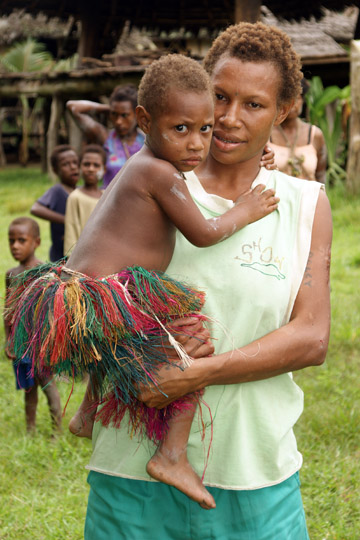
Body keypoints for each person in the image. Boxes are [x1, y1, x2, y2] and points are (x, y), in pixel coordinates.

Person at [81, 22, 332, 540]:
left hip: (253, 472)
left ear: (284, 111)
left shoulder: (304, 203)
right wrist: (142, 359)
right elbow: (87, 298)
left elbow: (312, 337)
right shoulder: (151, 180)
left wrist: (198, 372)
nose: (228, 119)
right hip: (131, 472)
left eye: (254, 104)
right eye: (219, 97)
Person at [6, 54, 278, 511]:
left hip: (79, 294)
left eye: (205, 130)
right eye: (181, 129)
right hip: (98, 299)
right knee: (194, 340)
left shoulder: (145, 160)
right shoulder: (158, 171)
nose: (196, 143)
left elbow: (189, 147)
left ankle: (90, 410)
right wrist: (245, 208)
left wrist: (259, 153)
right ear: (144, 120)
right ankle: (172, 456)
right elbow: (203, 232)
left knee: (124, 338)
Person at [4, 217, 62, 434]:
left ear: (36, 242)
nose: (15, 246)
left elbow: (52, 309)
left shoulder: (44, 272)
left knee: (48, 386)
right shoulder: (11, 275)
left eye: (21, 240)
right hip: (20, 342)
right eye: (11, 241)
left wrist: (50, 341)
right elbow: (8, 309)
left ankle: (57, 433)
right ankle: (30, 430)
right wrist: (8, 338)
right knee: (28, 389)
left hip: (40, 341)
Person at [67, 84, 145, 187]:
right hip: (110, 201)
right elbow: (72, 107)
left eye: (124, 115)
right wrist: (107, 108)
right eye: (114, 114)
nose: (118, 121)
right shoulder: (106, 138)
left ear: (136, 114)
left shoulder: (146, 140)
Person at [269, 78, 327, 183]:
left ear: (303, 100)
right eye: (287, 99)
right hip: (276, 197)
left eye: (298, 98)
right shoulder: (266, 135)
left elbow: (321, 176)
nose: (292, 104)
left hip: (309, 197)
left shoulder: (315, 135)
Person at [31, 145, 80, 261]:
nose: (72, 167)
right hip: (60, 255)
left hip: (78, 251)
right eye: (65, 164)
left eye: (75, 162)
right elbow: (36, 208)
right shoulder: (57, 191)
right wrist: (66, 220)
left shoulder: (81, 191)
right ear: (55, 170)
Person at [64, 144, 106, 254]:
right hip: (82, 257)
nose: (91, 169)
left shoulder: (107, 196)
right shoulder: (75, 197)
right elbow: (71, 230)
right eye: (87, 164)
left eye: (96, 165)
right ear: (79, 167)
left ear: (104, 169)